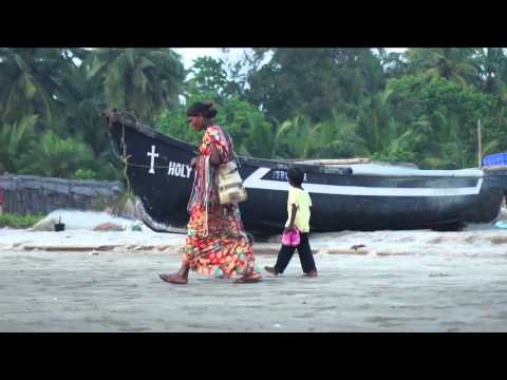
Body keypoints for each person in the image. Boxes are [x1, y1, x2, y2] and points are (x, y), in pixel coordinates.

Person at [159, 101, 262, 284]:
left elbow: (214, 160)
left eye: (192, 121)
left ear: (200, 116)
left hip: (213, 196)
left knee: (196, 230)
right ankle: (249, 271)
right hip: (226, 192)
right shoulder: (222, 132)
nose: (191, 125)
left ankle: (183, 274)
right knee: (232, 232)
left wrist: (197, 161)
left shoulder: (211, 134)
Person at [264, 167, 318, 277]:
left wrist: (291, 224)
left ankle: (277, 269)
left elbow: (293, 207)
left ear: (290, 180)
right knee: (304, 249)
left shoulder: (293, 191)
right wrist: (305, 221)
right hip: (304, 225)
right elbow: (309, 207)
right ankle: (311, 270)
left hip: (295, 225)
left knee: (286, 248)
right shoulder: (305, 192)